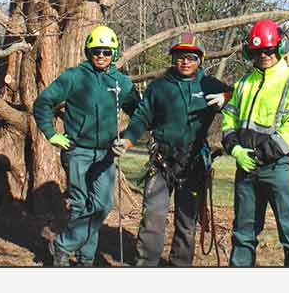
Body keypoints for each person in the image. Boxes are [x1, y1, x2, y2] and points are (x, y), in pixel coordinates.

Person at [111, 32, 231, 266]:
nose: (185, 61)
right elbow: (141, 118)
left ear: (200, 60)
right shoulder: (159, 86)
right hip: (162, 162)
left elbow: (240, 95)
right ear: (173, 58)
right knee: (153, 217)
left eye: (190, 57)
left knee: (187, 221)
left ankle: (180, 267)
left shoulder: (208, 85)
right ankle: (145, 265)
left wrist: (227, 96)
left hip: (194, 163)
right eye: (179, 56)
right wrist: (126, 142)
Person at [33, 25, 140, 267]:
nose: (101, 56)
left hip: (105, 154)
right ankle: (85, 261)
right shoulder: (74, 77)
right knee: (81, 207)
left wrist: (128, 137)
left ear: (114, 53)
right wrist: (51, 134)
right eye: (96, 51)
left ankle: (61, 245)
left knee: (102, 206)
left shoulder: (121, 82)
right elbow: (43, 102)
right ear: (88, 51)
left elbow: (140, 114)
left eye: (106, 51)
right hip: (78, 151)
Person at [221, 19, 289, 267]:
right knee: (243, 233)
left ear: (281, 48)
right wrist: (236, 149)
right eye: (257, 51)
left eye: (269, 50)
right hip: (246, 167)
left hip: (278, 167)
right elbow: (228, 120)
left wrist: (260, 155)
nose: (263, 55)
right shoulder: (244, 83)